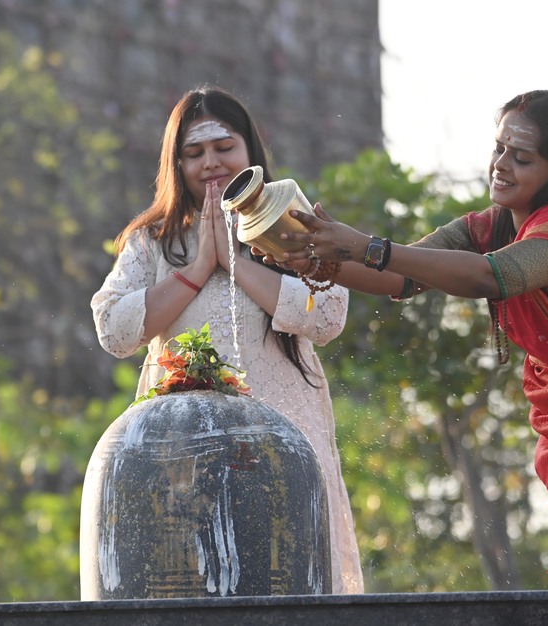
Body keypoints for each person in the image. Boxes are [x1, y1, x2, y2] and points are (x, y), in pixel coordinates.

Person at [264, 89, 548, 589]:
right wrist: (314, 255)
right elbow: (402, 276)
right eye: (498, 149)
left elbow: (489, 277)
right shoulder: (495, 223)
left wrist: (364, 246)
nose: (501, 165)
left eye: (521, 158)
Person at [90, 86, 364, 594]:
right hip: (180, 457)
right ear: (175, 164)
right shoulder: (153, 240)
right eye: (193, 153)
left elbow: (327, 315)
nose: (210, 163)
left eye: (224, 147)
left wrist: (234, 263)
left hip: (286, 437)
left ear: (250, 151)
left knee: (287, 579)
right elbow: (113, 329)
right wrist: (197, 269)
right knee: (187, 584)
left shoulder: (290, 220)